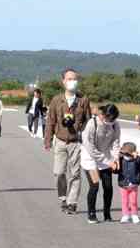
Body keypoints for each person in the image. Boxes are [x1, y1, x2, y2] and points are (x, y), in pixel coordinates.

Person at [44, 68, 92, 214]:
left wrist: (81, 131)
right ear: (63, 81)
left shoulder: (83, 100)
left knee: (75, 173)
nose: (73, 82)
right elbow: (50, 121)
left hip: (75, 141)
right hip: (60, 140)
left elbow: (88, 121)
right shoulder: (56, 100)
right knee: (59, 173)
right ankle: (63, 197)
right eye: (70, 79)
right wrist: (48, 140)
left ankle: (72, 202)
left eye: (75, 79)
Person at [81, 104, 121, 224]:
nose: (111, 121)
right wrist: (108, 161)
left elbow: (116, 142)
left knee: (108, 186)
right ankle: (91, 214)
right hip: (90, 159)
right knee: (95, 184)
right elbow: (90, 147)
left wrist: (115, 159)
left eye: (113, 119)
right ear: (103, 115)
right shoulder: (92, 124)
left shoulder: (115, 124)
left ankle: (107, 213)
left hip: (106, 157)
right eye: (109, 119)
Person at [117, 142, 140, 224]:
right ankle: (125, 215)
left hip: (134, 184)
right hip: (123, 184)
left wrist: (136, 157)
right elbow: (116, 170)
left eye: (128, 153)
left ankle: (134, 215)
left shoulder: (137, 160)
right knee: (124, 201)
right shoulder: (121, 159)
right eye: (125, 153)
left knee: (133, 201)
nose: (127, 155)